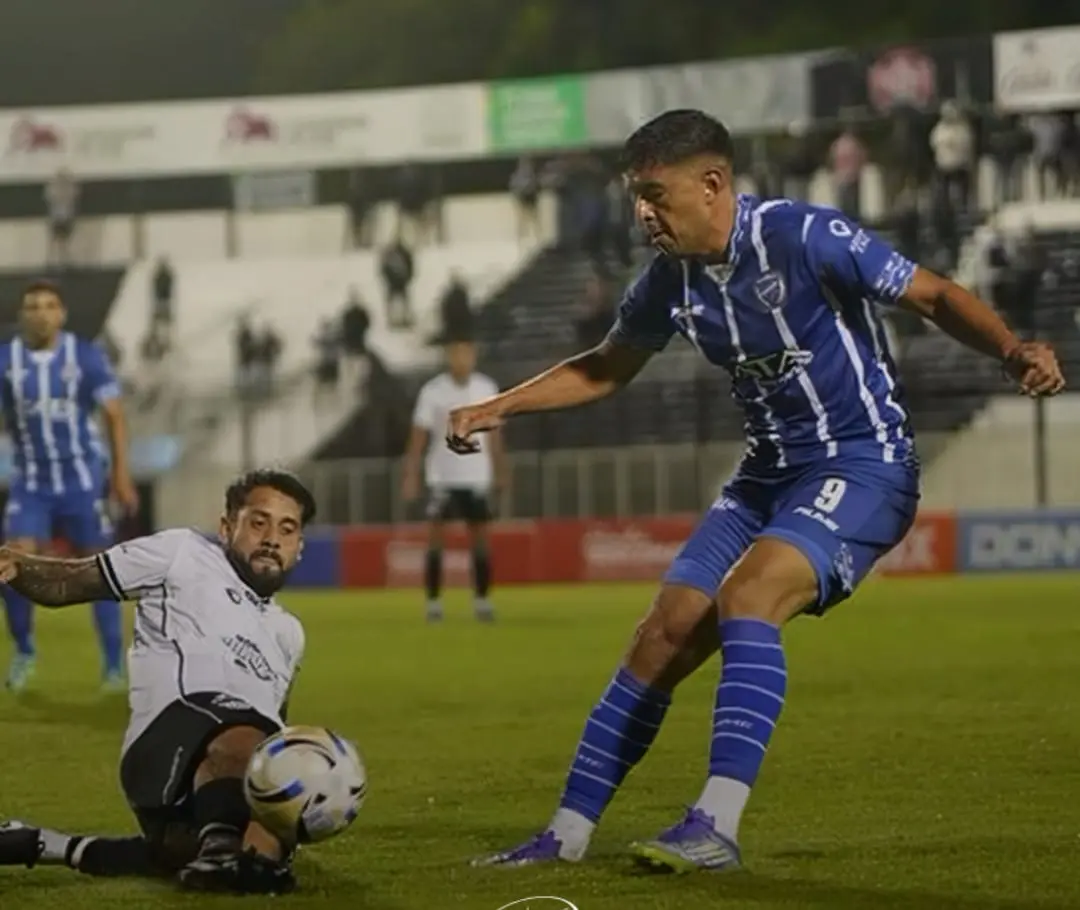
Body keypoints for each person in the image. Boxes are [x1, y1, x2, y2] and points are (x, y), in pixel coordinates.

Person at [446, 109, 1065, 872]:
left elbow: (932, 295)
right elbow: (606, 367)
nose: (642, 213)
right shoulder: (667, 281)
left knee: (749, 595)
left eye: (654, 195)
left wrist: (1011, 350)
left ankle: (716, 824)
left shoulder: (804, 236)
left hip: (862, 465)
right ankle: (565, 834)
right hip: (764, 478)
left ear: (712, 184)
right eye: (635, 197)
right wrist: (498, 407)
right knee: (662, 634)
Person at [0, 468, 314, 895]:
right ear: (226, 528)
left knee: (248, 831)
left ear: (299, 547)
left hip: (224, 772)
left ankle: (45, 843)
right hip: (167, 744)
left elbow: (276, 730)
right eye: (259, 523)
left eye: (287, 529)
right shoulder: (183, 553)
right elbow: (69, 582)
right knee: (246, 738)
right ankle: (224, 849)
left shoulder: (289, 633)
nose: (272, 539)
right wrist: (17, 564)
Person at [0, 280, 139, 692]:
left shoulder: (85, 356)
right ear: (22, 315)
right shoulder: (6, 360)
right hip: (31, 483)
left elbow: (113, 413)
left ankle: (112, 666)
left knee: (98, 570)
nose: (41, 313)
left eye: (49, 306)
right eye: (33, 306)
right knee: (12, 563)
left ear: (61, 313)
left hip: (82, 482)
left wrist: (120, 474)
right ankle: (25, 650)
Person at [402, 337, 505, 623]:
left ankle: (482, 600)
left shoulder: (486, 388)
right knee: (435, 539)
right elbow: (418, 436)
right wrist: (411, 473)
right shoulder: (433, 391)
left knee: (480, 539)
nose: (461, 359)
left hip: (477, 476)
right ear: (449, 357)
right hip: (442, 477)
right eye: (456, 354)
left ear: (473, 356)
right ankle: (434, 602)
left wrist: (500, 469)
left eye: (466, 353)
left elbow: (495, 435)